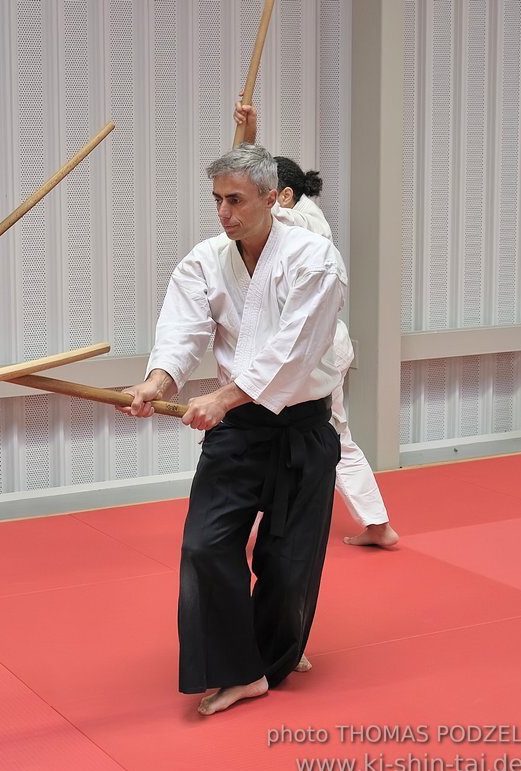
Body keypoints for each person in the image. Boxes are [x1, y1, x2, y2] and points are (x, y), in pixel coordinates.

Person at [123, 143, 346, 715]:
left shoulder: (314, 259)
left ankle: (275, 654)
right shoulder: (205, 260)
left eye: (237, 200)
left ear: (274, 199)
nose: (224, 213)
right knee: (205, 544)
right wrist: (158, 382)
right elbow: (182, 329)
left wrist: (223, 396)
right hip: (237, 430)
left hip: (300, 425)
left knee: (287, 560)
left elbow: (294, 349)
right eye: (218, 200)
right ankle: (238, 670)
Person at [235, 103, 400, 548]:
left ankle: (374, 523)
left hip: (314, 351)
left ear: (281, 196)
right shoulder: (300, 216)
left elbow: (255, 202)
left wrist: (249, 141)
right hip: (314, 348)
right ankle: (375, 522)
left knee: (326, 434)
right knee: (318, 432)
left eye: (266, 194)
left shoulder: (300, 222)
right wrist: (250, 136)